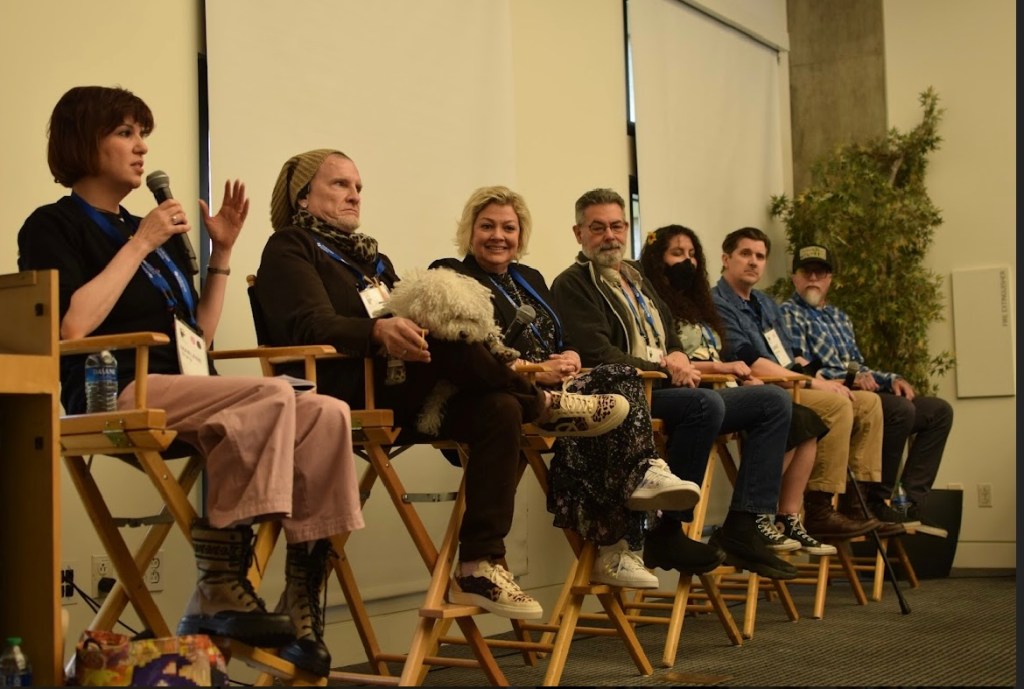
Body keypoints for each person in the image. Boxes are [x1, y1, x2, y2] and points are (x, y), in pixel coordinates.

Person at [16, 86, 361, 677]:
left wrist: (220, 253)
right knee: (273, 392)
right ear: (83, 141)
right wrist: (141, 241)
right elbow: (70, 325)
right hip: (107, 390)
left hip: (180, 384)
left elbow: (195, 333)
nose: (141, 146)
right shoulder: (55, 225)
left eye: (141, 132)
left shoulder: (146, 228)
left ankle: (302, 599)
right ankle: (220, 582)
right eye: (125, 132)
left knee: (327, 412)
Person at [255, 150, 628, 620]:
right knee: (454, 338)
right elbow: (308, 325)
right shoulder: (291, 245)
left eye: (358, 187)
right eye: (340, 185)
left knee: (499, 408)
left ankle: (478, 562)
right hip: (341, 388)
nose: (354, 195)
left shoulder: (371, 257)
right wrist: (377, 331)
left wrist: (406, 323)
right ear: (303, 196)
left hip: (398, 386)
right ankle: (545, 403)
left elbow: (404, 313)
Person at [431, 185, 705, 589]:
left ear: (520, 234)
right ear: (468, 230)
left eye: (509, 227)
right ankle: (624, 536)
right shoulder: (453, 274)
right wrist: (535, 369)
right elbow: (471, 351)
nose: (498, 236)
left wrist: (571, 356)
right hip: (502, 397)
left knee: (616, 391)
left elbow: (564, 342)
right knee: (616, 387)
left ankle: (623, 541)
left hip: (565, 394)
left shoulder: (530, 278)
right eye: (487, 226)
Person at [550, 188, 800, 580]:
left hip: (666, 389)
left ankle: (745, 523)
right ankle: (667, 529)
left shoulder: (636, 277)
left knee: (772, 402)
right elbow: (598, 354)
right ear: (578, 233)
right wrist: (667, 369)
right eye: (597, 228)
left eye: (617, 225)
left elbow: (670, 337)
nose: (609, 235)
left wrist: (679, 355)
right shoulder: (573, 284)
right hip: (626, 397)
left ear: (626, 227)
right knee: (705, 405)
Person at [640, 225, 836, 556]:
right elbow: (669, 364)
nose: (686, 261)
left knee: (802, 418)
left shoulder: (701, 303)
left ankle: (772, 518)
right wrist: (720, 370)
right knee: (778, 404)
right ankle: (749, 519)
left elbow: (733, 354)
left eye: (691, 254)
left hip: (722, 389)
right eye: (677, 254)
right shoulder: (655, 304)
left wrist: (742, 377)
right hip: (685, 392)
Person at [710, 227, 902, 540]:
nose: (753, 262)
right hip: (759, 388)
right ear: (726, 258)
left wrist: (821, 378)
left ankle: (859, 504)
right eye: (745, 254)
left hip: (790, 381)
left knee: (868, 402)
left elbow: (793, 356)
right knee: (837, 406)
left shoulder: (766, 303)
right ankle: (820, 508)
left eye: (760, 256)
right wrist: (812, 385)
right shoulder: (718, 302)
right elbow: (750, 360)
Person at [780, 244, 953, 524]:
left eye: (820, 273)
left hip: (856, 389)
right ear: (795, 278)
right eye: (806, 272)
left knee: (937, 411)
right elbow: (802, 369)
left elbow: (856, 365)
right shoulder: (787, 314)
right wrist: (843, 381)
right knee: (899, 410)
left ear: (830, 279)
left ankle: (909, 500)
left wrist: (891, 378)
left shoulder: (840, 317)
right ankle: (874, 500)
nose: (813, 278)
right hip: (831, 394)